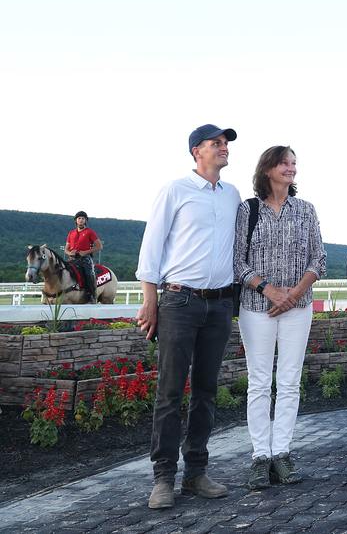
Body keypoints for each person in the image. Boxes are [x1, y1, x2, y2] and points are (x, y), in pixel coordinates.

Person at [135, 124, 241, 510]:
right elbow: (153, 246)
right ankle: (163, 477)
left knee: (207, 390)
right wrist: (150, 300)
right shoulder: (175, 190)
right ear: (197, 151)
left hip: (219, 304)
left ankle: (196, 473)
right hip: (180, 301)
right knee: (169, 391)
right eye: (217, 143)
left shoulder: (232, 195)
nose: (224, 148)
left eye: (225, 143)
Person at [234, 146, 326, 490]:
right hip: (256, 307)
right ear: (268, 168)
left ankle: (282, 454)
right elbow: (237, 262)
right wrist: (269, 290)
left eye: (294, 163)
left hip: (297, 309)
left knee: (289, 382)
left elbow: (320, 257)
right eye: (285, 163)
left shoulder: (306, 210)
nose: (291, 168)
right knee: (259, 383)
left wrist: (295, 293)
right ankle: (260, 457)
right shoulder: (248, 209)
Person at [64, 210, 101, 301]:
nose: (81, 220)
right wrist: (69, 253)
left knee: (89, 274)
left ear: (86, 221)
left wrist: (85, 252)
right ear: (76, 220)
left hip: (85, 258)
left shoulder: (90, 232)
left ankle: (92, 295)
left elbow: (99, 246)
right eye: (79, 218)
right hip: (72, 258)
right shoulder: (71, 233)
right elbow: (66, 249)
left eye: (83, 219)